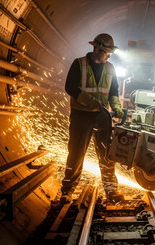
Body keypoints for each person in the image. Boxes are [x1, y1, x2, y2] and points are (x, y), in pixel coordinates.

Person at [60, 33, 125, 204]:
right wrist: (89, 101)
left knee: (107, 155)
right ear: (97, 49)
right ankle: (67, 190)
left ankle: (111, 191)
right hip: (81, 115)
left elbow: (113, 92)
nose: (108, 56)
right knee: (76, 153)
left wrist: (116, 107)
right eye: (106, 52)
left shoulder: (110, 68)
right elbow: (70, 87)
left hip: (103, 116)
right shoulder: (79, 63)